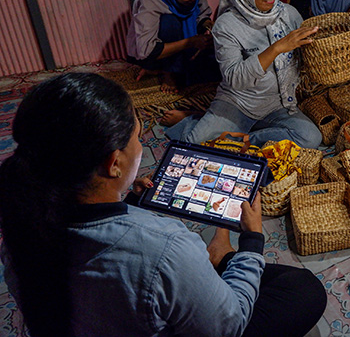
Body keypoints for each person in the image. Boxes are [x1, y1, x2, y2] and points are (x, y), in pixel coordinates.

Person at [0, 72, 327, 337]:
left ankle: (221, 260)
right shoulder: (166, 246)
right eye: (138, 138)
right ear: (114, 163)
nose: (142, 145)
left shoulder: (22, 223)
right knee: (304, 291)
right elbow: (229, 325)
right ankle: (224, 257)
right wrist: (253, 240)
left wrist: (124, 198)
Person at [166, 0, 323, 149]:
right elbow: (235, 78)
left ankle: (242, 139)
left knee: (311, 138)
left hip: (278, 104)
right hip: (237, 104)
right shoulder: (226, 25)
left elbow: (305, 58)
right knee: (194, 145)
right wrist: (276, 48)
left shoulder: (289, 15)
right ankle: (203, 121)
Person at [126, 0, 220, 95]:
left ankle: (168, 70)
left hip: (184, 45)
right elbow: (147, 50)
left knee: (214, 70)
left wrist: (209, 26)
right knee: (170, 22)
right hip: (152, 54)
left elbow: (202, 15)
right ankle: (167, 73)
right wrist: (190, 42)